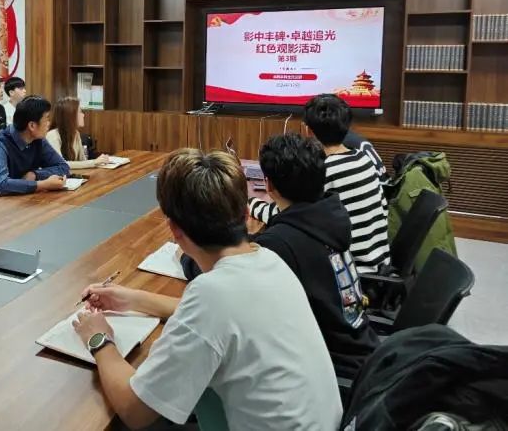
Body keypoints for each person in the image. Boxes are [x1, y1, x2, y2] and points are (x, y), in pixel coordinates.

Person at [72, 149, 342, 431]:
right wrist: (131, 299)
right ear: (246, 214)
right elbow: (216, 318)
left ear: (174, 229)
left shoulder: (212, 296)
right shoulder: (268, 260)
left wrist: (99, 339)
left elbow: (134, 411)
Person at [240, 134, 378, 379]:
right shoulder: (330, 215)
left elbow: (230, 275)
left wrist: (187, 256)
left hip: (332, 365)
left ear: (269, 185)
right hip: (360, 344)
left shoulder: (281, 242)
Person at [252, 95, 391, 273]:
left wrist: (253, 204)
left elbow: (289, 214)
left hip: (351, 271)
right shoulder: (364, 159)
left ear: (308, 131)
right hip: (379, 263)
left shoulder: (324, 169)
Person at [0, 96, 70, 197]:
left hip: (19, 197)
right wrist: (42, 184)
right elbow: (0, 185)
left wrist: (35, 174)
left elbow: (63, 167)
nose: (49, 123)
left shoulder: (38, 139)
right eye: (47, 119)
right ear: (32, 126)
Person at [46, 96, 109, 170]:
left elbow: (83, 161)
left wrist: (99, 161)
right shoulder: (52, 135)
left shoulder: (76, 134)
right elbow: (60, 164)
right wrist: (94, 162)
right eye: (80, 112)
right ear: (70, 115)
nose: (83, 115)